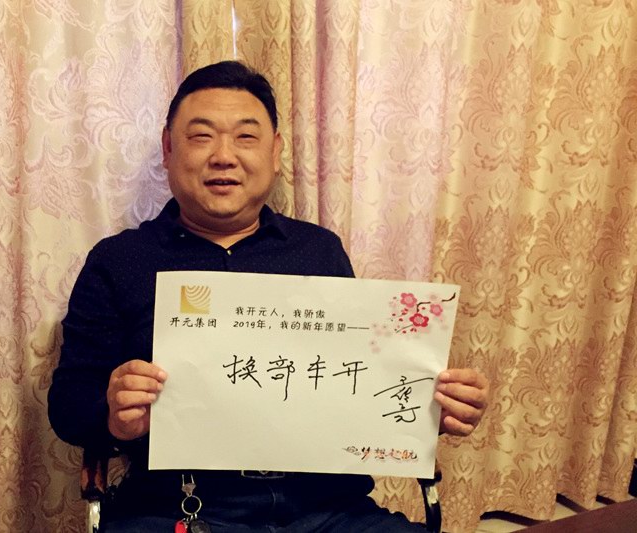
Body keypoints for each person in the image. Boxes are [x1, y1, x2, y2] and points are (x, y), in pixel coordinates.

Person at [48, 60, 489, 532]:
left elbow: (355, 381)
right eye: (201, 136)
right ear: (168, 149)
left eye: (245, 136)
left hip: (328, 510)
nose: (223, 156)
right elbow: (68, 406)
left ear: (275, 152)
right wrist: (112, 413)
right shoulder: (119, 261)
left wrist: (429, 404)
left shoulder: (318, 251)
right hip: (179, 508)